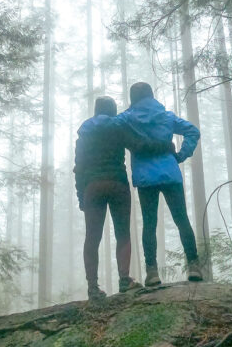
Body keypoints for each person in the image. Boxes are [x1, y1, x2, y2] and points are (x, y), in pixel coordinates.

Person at [74, 96, 172, 300]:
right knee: (123, 234)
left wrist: (81, 197)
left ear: (95, 110)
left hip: (93, 186)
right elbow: (140, 145)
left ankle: (92, 288)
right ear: (113, 110)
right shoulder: (119, 127)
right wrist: (165, 146)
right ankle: (124, 279)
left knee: (92, 237)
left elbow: (79, 167)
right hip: (117, 184)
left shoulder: (84, 134)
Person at [120, 81, 202, 286]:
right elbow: (192, 131)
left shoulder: (127, 118)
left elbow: (109, 127)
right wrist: (181, 155)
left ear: (133, 98)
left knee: (149, 224)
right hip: (170, 173)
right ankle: (194, 266)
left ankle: (152, 271)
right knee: (182, 219)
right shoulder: (166, 116)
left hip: (145, 178)